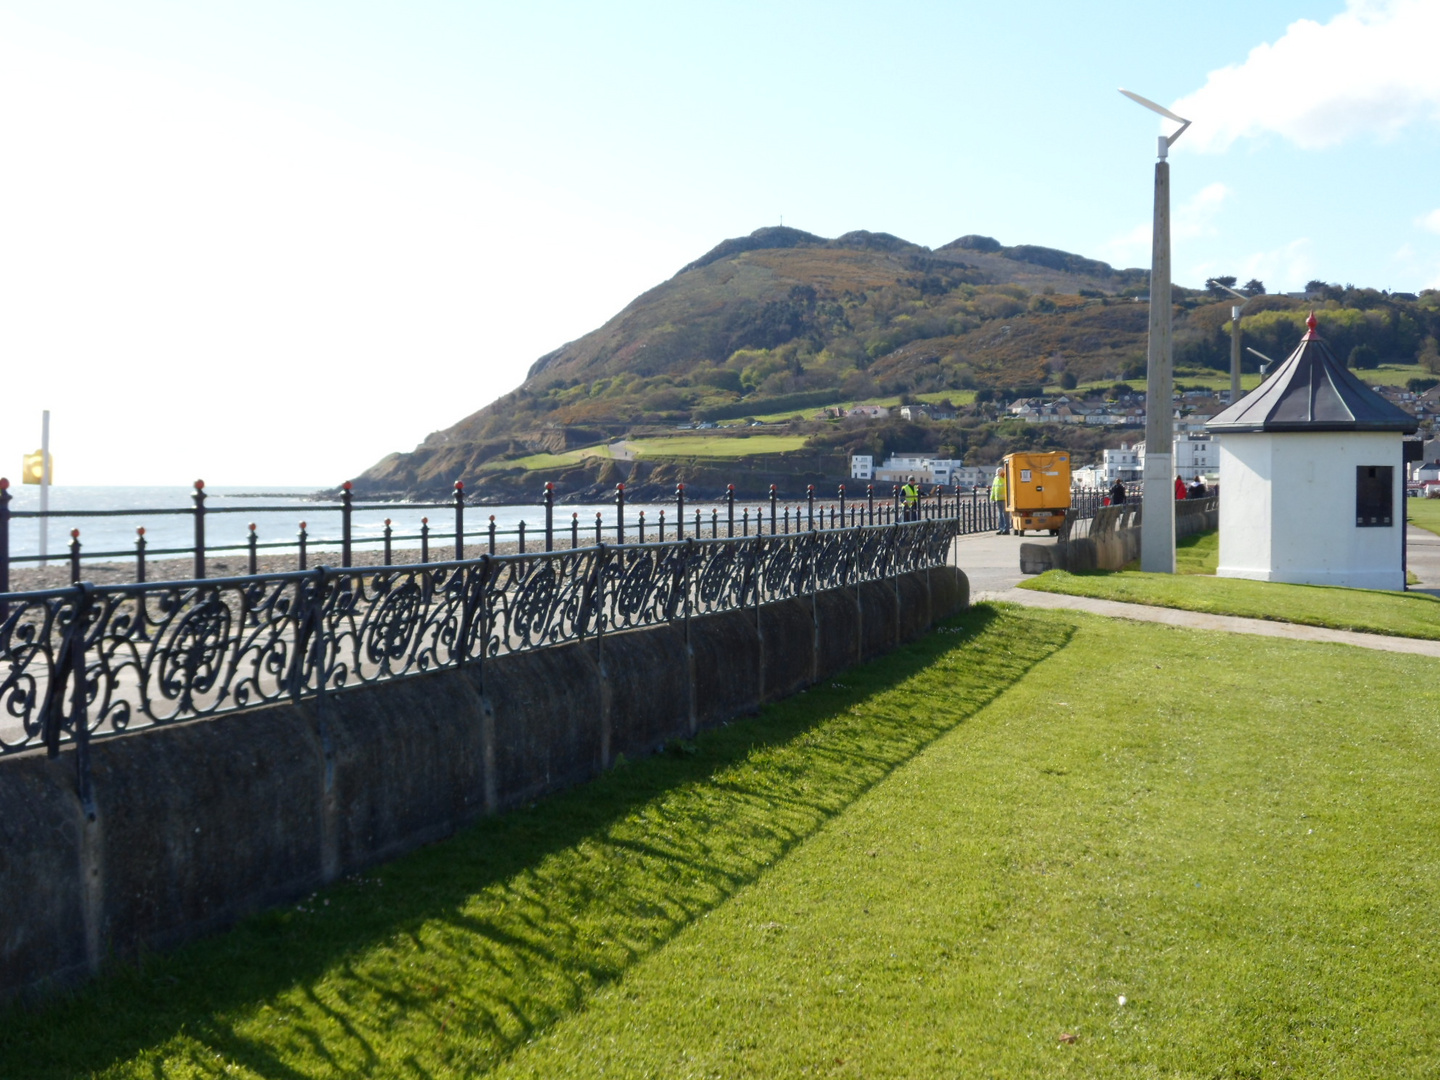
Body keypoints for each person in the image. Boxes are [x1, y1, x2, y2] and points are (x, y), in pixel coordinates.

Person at [990, 466, 1009, 534]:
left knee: (1005, 514)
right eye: (998, 472)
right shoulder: (996, 479)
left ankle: (1006, 529)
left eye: (999, 472)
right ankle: (1001, 528)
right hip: (998, 499)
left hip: (1004, 499)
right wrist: (992, 498)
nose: (998, 473)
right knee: (1000, 514)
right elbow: (993, 489)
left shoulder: (1005, 478)